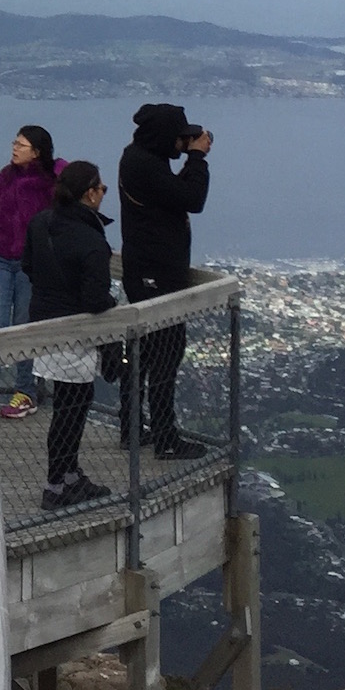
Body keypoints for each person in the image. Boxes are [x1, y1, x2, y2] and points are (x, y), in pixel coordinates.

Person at [116, 102, 213, 461]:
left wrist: (188, 156)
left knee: (142, 353)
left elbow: (174, 196)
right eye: (179, 136)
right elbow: (192, 199)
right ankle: (165, 438)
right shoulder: (145, 165)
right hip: (157, 273)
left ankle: (131, 428)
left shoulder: (137, 159)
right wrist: (197, 159)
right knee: (166, 355)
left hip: (145, 270)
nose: (182, 142)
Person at [24, 159, 116, 511]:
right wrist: (110, 301)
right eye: (102, 188)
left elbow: (29, 266)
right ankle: (57, 482)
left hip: (44, 323)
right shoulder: (91, 240)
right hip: (76, 330)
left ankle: (69, 474)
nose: (104, 193)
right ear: (89, 194)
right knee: (72, 407)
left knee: (69, 404)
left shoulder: (41, 223)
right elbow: (95, 298)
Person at [0, 126, 61, 423]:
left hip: (29, 263)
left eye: (21, 145)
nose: (14, 148)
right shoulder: (5, 176)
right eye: (15, 143)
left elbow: (62, 205)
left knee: (23, 324)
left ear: (37, 151)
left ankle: (25, 392)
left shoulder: (49, 181)